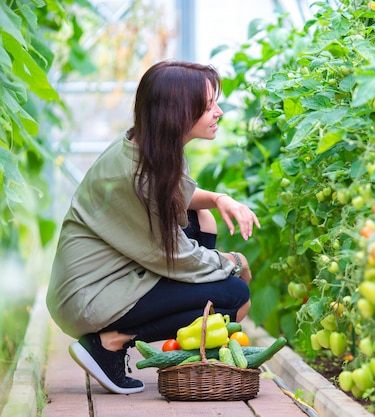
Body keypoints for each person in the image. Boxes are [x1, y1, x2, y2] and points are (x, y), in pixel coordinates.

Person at [46, 60, 260, 395]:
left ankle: (166, 344)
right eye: (208, 106)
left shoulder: (147, 146)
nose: (219, 112)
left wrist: (219, 199)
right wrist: (233, 262)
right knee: (235, 297)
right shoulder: (138, 176)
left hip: (112, 278)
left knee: (203, 216)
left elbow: (180, 192)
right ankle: (109, 343)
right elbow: (175, 257)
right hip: (90, 297)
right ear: (177, 112)